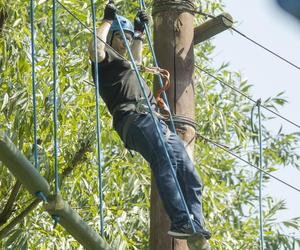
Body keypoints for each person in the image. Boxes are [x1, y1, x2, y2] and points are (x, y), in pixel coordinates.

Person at [88, 2, 211, 242]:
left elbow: (136, 58)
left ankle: (195, 223)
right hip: (134, 119)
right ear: (112, 38)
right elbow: (95, 50)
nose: (124, 42)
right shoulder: (105, 63)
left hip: (154, 121)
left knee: (189, 172)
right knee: (163, 159)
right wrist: (106, 21)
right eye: (120, 38)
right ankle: (180, 221)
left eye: (126, 38)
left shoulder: (127, 65)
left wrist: (139, 33)